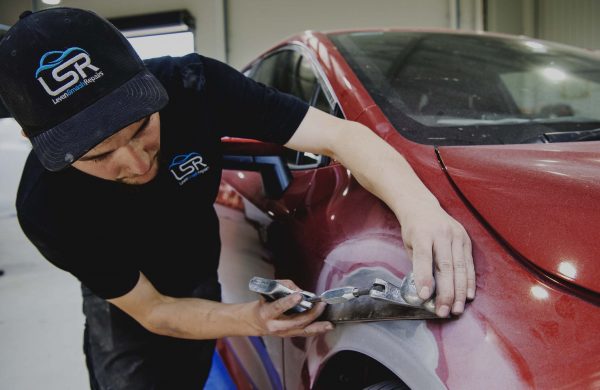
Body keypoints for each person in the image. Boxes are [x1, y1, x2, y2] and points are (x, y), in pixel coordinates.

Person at [0, 7, 476, 390]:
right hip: (130, 294)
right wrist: (251, 319)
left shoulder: (195, 85)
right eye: (97, 155)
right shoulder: (46, 207)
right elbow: (156, 312)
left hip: (196, 261)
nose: (137, 163)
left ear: (146, 80)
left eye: (142, 127)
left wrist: (419, 209)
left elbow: (339, 136)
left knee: (189, 373)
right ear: (33, 138)